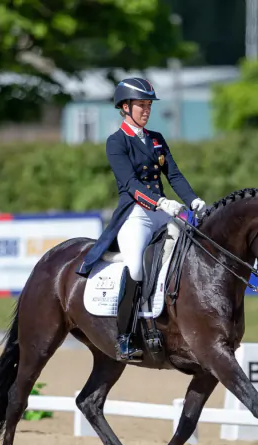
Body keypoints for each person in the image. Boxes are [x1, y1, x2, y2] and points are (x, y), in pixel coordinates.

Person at [77, 77, 206, 361]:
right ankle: (124, 335)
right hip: (136, 214)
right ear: (125, 107)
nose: (146, 110)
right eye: (141, 105)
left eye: (148, 105)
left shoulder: (157, 139)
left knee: (192, 250)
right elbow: (130, 183)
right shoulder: (116, 142)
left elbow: (174, 175)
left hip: (163, 211)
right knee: (136, 266)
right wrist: (160, 202)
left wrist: (194, 201)